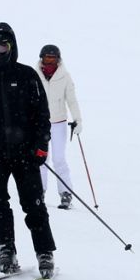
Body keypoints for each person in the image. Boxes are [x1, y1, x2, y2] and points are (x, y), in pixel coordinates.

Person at [0, 23, 56, 279]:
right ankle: (6, 248)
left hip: (26, 154)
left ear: (11, 47)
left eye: (1, 46)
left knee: (33, 204)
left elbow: (42, 116)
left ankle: (44, 252)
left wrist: (40, 146)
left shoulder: (27, 76)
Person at [33, 44, 83, 209]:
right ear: (42, 58)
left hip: (59, 123)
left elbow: (72, 99)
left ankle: (65, 193)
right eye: (47, 57)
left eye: (53, 58)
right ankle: (39, 191)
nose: (50, 61)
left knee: (59, 159)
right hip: (39, 125)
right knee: (42, 159)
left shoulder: (64, 76)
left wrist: (77, 120)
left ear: (58, 59)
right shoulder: (34, 76)